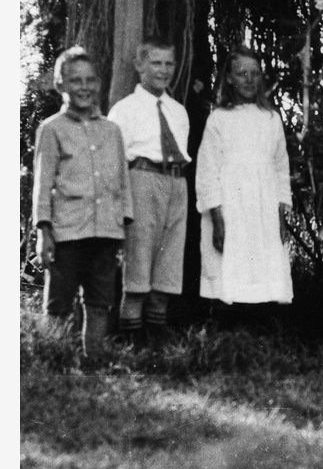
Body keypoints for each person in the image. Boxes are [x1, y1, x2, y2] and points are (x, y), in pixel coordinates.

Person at [32, 47, 132, 361]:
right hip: (67, 232)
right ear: (60, 85)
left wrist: (123, 227)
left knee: (100, 302)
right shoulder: (52, 129)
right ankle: (52, 362)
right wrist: (43, 231)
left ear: (99, 84)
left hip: (106, 232)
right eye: (75, 81)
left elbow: (123, 182)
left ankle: (93, 365)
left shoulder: (112, 130)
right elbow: (42, 183)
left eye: (90, 80)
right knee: (59, 304)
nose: (84, 87)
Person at [195, 47, 294, 308]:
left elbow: (281, 169)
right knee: (231, 269)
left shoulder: (272, 119)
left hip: (264, 207)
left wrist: (280, 216)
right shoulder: (218, 119)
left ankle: (260, 336)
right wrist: (217, 220)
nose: (249, 80)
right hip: (230, 207)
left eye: (255, 73)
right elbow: (207, 171)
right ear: (229, 78)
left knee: (263, 270)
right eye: (242, 74)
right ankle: (228, 336)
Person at [108, 36, 190, 342]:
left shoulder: (178, 111)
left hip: (177, 183)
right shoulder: (124, 110)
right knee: (139, 259)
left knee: (169, 262)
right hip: (142, 180)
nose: (164, 69)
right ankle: (131, 339)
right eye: (156, 62)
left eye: (169, 63)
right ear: (140, 65)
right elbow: (116, 162)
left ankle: (157, 335)